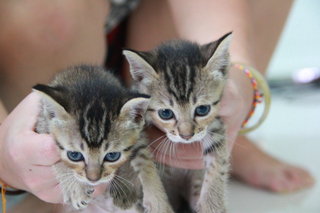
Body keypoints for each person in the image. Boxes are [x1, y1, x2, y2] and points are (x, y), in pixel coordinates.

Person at [0, 0, 314, 212]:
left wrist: (238, 78)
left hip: (149, 72)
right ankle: (42, 169)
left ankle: (223, 130)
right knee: (49, 17)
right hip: (43, 54)